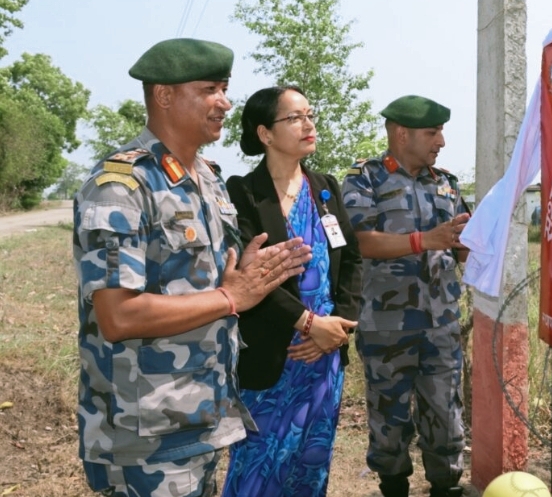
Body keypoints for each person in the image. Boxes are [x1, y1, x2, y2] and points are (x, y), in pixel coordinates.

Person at [73, 38, 311, 497]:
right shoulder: (121, 186)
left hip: (203, 416)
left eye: (225, 88)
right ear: (164, 95)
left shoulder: (209, 178)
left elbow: (211, 279)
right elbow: (118, 317)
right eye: (211, 90)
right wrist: (231, 297)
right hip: (146, 431)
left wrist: (246, 276)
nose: (225, 102)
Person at [221, 85, 361, 496]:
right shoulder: (243, 193)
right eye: (295, 117)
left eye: (310, 114)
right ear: (265, 134)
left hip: (323, 355)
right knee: (258, 469)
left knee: (310, 467)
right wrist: (308, 322)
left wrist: (337, 329)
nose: (308, 124)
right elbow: (250, 275)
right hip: (272, 355)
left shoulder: (325, 189)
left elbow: (351, 261)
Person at [341, 95, 472, 497]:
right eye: (433, 132)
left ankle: (445, 485)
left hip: (441, 325)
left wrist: (470, 241)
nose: (442, 141)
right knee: (389, 418)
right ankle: (393, 484)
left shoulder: (446, 182)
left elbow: (460, 246)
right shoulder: (365, 178)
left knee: (447, 413)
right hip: (387, 326)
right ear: (402, 134)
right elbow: (361, 242)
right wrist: (425, 239)